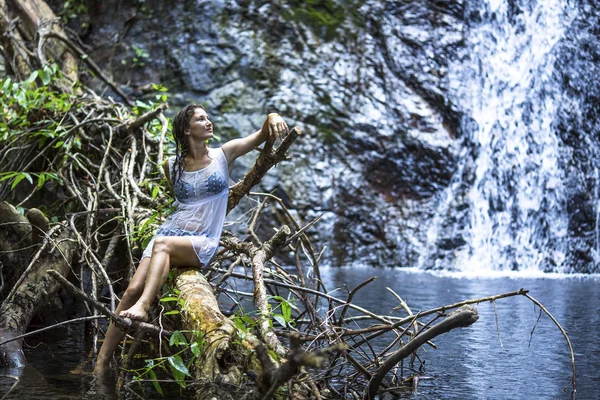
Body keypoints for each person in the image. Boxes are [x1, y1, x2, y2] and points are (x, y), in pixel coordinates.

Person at [93, 104, 288, 376]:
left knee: (161, 248)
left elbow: (261, 134)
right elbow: (181, 207)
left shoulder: (224, 154)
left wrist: (272, 116)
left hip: (203, 240)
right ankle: (101, 363)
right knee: (130, 290)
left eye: (208, 117)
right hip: (171, 234)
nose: (208, 122)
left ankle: (145, 306)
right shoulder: (171, 166)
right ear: (187, 129)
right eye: (201, 119)